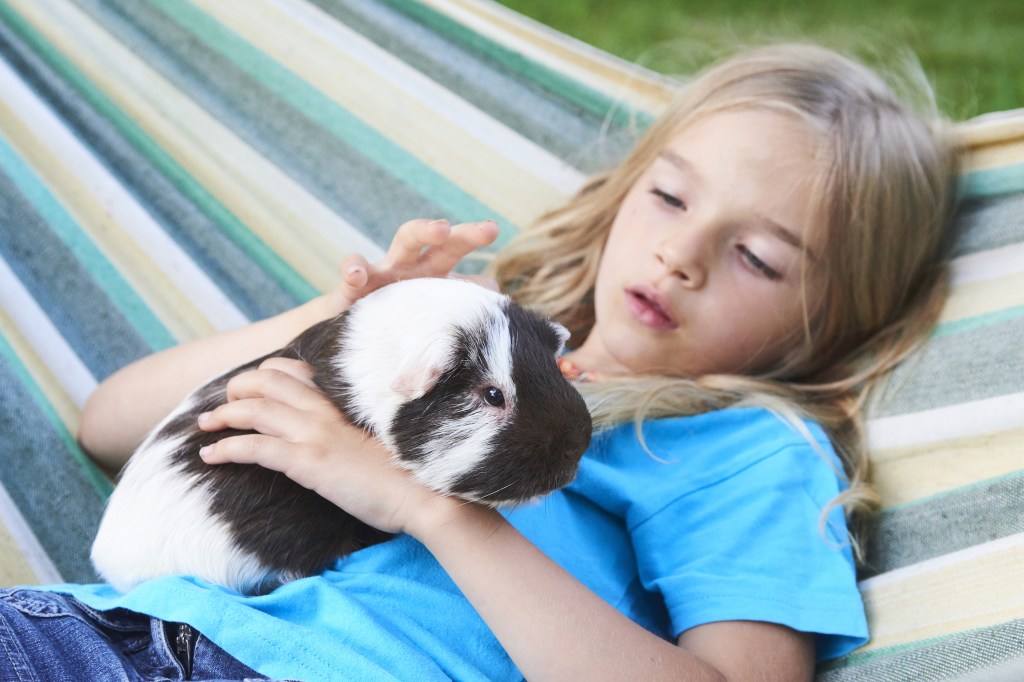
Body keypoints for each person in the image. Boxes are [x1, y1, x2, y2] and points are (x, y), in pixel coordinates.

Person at [0, 43, 957, 681]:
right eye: (671, 198)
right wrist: (340, 319)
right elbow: (114, 422)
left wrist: (425, 506)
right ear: (627, 187)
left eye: (758, 257)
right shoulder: (474, 329)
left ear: (837, 315)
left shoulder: (748, 450)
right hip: (113, 637)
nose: (681, 256)